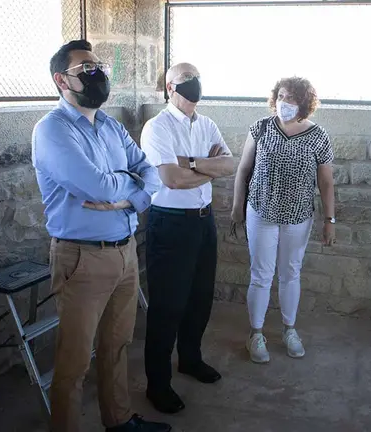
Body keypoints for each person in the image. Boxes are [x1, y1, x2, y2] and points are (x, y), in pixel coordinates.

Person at [32, 40, 170, 432]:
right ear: (62, 80)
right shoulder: (52, 131)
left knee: (116, 346)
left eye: (99, 66)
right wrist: (130, 185)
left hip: (125, 253)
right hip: (82, 260)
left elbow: (153, 174)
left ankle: (119, 420)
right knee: (74, 361)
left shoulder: (109, 125)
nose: (99, 74)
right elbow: (96, 186)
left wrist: (126, 199)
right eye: (86, 69)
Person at [140, 63, 235, 414]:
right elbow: (171, 180)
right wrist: (203, 170)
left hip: (203, 221)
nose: (193, 85)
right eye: (185, 79)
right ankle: (158, 384)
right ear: (169, 87)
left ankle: (190, 359)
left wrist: (191, 164)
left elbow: (229, 164)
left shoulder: (207, 124)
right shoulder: (157, 127)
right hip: (170, 224)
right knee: (167, 306)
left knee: (200, 298)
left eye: (197, 77)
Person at [230, 77, 336, 364]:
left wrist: (330, 219)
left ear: (303, 103)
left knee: (290, 273)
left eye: (291, 98)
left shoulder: (318, 136)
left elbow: (326, 182)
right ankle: (256, 334)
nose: (284, 102)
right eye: (281, 96)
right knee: (261, 274)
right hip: (261, 211)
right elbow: (243, 169)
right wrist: (237, 205)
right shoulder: (261, 128)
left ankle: (289, 330)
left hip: (298, 216)